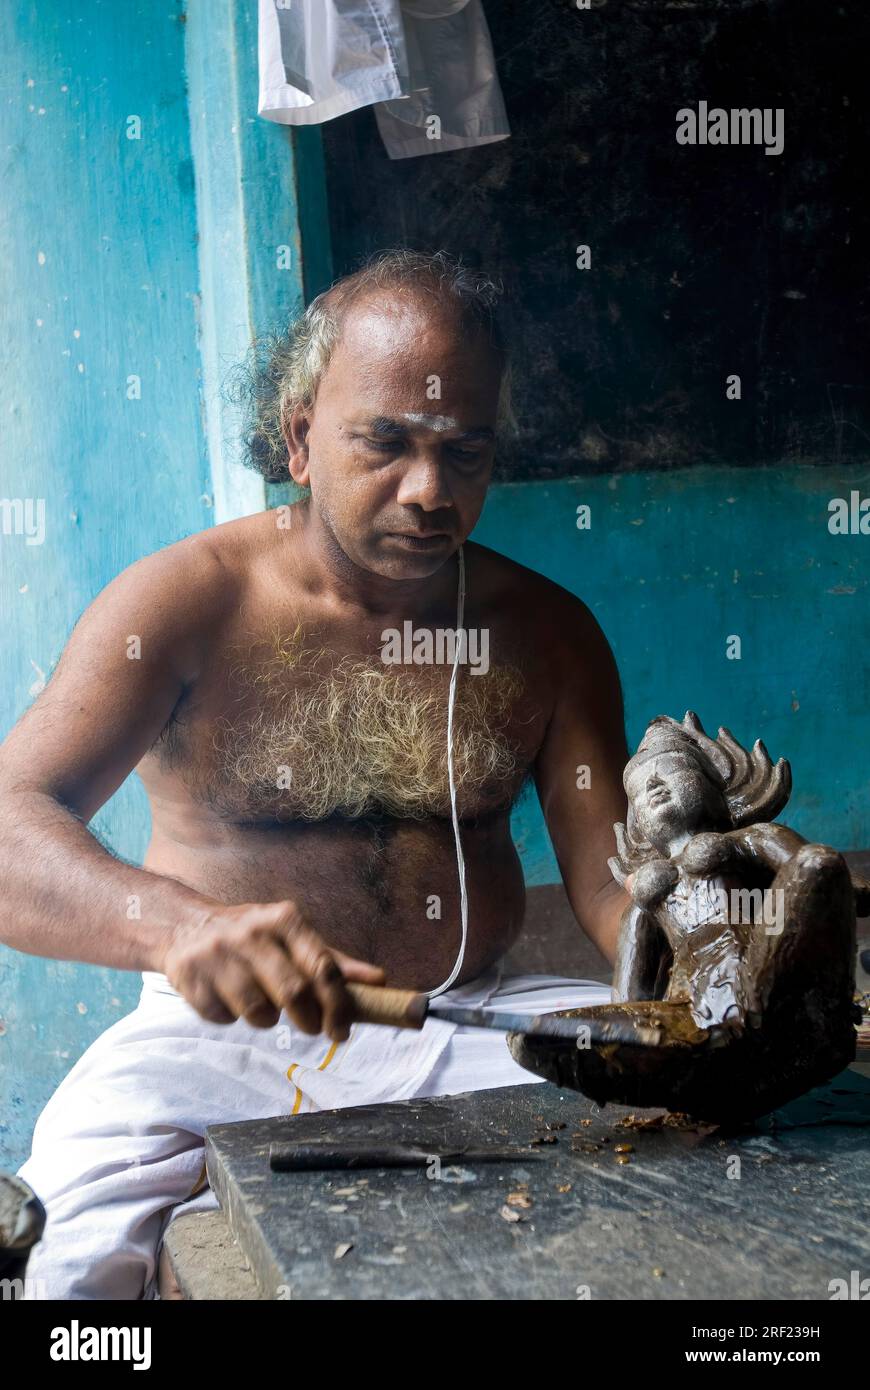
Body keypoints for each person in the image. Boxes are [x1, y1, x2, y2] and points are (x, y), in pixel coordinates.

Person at [2, 249, 630, 1298]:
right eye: (386, 442)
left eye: (465, 452)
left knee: (715, 1143)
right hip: (212, 1049)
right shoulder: (182, 606)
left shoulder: (548, 633)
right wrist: (182, 928)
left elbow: (613, 884)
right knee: (67, 1256)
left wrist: (709, 947)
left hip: (470, 1028)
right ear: (300, 436)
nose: (430, 492)